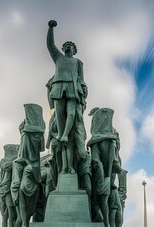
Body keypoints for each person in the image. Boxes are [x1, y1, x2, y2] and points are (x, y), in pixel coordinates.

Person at [47, 20, 88, 174]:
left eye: (70, 45)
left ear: (74, 49)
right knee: (59, 116)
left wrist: (83, 93)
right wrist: (50, 28)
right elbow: (50, 45)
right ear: (62, 49)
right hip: (58, 87)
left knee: (71, 112)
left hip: (73, 88)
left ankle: (64, 134)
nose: (67, 47)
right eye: (65, 45)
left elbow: (82, 80)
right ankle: (62, 134)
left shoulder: (78, 62)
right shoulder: (58, 58)